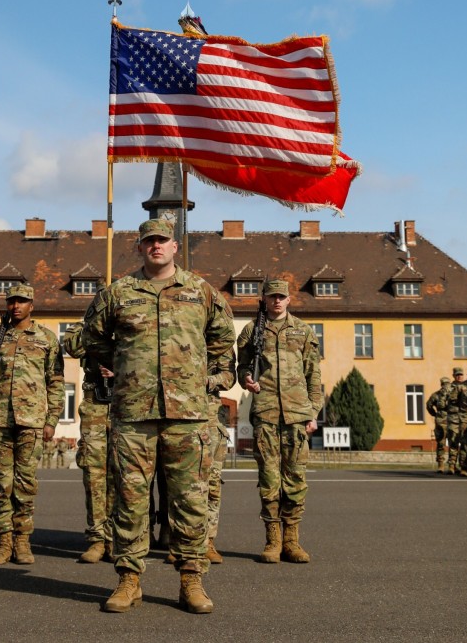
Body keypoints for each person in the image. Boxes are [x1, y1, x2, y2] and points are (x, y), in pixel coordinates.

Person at [82, 217, 235, 614]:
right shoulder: (118, 293)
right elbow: (93, 338)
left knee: (190, 499)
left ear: (174, 246)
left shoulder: (200, 291)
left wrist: (212, 378)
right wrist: (116, 370)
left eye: (162, 240)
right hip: (133, 412)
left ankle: (191, 580)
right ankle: (129, 580)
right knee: (130, 499)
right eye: (149, 241)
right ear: (139, 247)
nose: (156, 246)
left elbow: (222, 339)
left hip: (188, 414)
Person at [0, 283, 64, 565]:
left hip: (32, 421)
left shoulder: (47, 339)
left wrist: (52, 420)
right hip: (1, 419)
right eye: (12, 301)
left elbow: (56, 382)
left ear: (32, 305)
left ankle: (22, 542)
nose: (16, 306)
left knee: (25, 484)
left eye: (22, 301)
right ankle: (4, 541)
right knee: (2, 484)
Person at [237, 279, 322, 565]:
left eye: (281, 297)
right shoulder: (251, 330)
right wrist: (246, 379)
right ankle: (273, 540)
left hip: (297, 415)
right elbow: (243, 367)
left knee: (296, 480)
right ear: (264, 298)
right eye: (272, 296)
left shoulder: (303, 330)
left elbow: (314, 375)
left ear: (289, 300)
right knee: (269, 480)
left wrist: (313, 412)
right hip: (266, 414)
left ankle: (292, 541)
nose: (277, 301)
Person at [64, 322, 115, 565]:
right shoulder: (83, 327)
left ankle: (117, 538)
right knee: (94, 474)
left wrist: (121, 368)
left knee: (123, 475)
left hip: (127, 405)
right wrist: (98, 330)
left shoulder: (133, 323)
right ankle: (97, 537)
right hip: (95, 405)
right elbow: (72, 346)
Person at [204, 348, 236, 564]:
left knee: (212, 485)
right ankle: (180, 542)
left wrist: (206, 381)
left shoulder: (219, 338)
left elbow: (229, 377)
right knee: (179, 486)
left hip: (210, 419)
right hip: (178, 417)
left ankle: (208, 542)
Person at [426, 377, 451, 473]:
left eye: (447, 383)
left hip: (452, 421)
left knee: (453, 444)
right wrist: (434, 414)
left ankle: (452, 465)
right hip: (440, 421)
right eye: (444, 384)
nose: (446, 386)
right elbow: (429, 405)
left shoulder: (453, 394)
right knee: (441, 443)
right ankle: (441, 464)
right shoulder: (436, 395)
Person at [445, 368, 466, 474]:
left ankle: (463, 466)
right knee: (453, 442)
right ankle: (452, 466)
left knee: (464, 443)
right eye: (457, 375)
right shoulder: (449, 388)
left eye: (461, 375)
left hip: (466, 418)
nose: (459, 376)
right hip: (453, 418)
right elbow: (443, 403)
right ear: (453, 375)